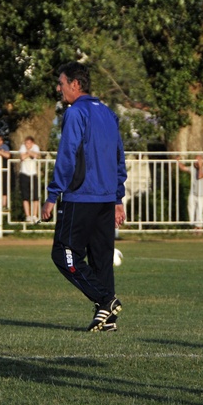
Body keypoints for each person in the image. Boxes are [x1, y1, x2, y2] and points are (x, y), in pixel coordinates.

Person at [41, 62, 127, 332]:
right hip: (104, 199)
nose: (59, 88)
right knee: (101, 258)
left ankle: (106, 300)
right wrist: (116, 198)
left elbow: (67, 155)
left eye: (61, 83)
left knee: (63, 253)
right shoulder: (108, 113)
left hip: (81, 197)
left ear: (75, 85)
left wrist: (53, 194)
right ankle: (107, 320)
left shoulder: (76, 112)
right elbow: (119, 158)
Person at [176, 154, 203, 229]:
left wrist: (200, 166)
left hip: (201, 194)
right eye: (195, 161)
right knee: (190, 207)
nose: (196, 163)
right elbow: (183, 168)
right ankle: (193, 225)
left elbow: (200, 176)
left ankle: (199, 227)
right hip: (193, 192)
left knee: (199, 210)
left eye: (198, 161)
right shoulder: (192, 169)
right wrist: (178, 161)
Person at [19, 135, 41, 222]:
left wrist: (28, 153)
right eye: (26, 143)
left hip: (33, 173)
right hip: (24, 173)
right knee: (25, 196)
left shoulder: (36, 147)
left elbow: (36, 155)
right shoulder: (22, 147)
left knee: (35, 195)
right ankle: (28, 215)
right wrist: (29, 153)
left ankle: (35, 215)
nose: (27, 145)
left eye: (29, 143)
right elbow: (22, 157)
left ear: (33, 143)